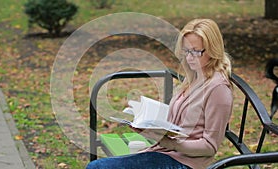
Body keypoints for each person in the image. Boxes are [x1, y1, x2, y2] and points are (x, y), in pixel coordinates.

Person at [86, 18, 233, 169]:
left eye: (196, 51)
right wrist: (149, 124)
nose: (189, 58)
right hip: (164, 152)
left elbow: (209, 146)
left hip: (186, 163)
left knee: (96, 167)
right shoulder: (195, 76)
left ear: (213, 50)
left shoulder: (218, 89)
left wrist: (169, 143)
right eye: (187, 51)